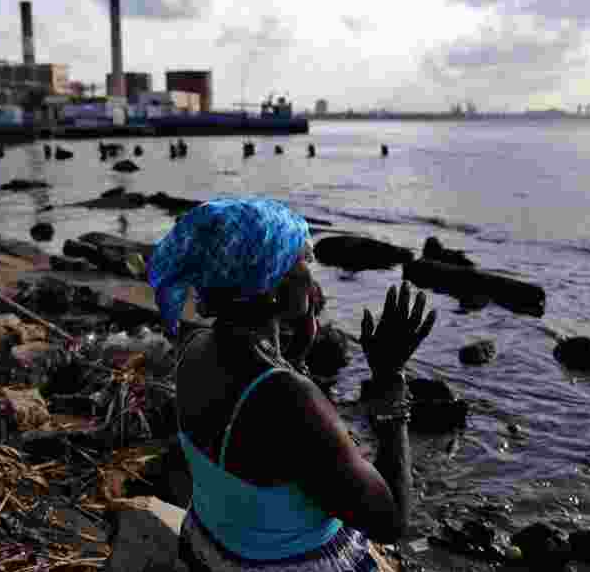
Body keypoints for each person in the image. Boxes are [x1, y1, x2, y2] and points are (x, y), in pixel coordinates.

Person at [148, 198, 437, 572]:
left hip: (209, 548)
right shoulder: (287, 397)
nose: (313, 276)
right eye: (304, 259)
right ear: (270, 280)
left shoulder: (196, 347)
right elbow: (390, 522)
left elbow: (268, 438)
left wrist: (295, 357)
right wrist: (389, 382)